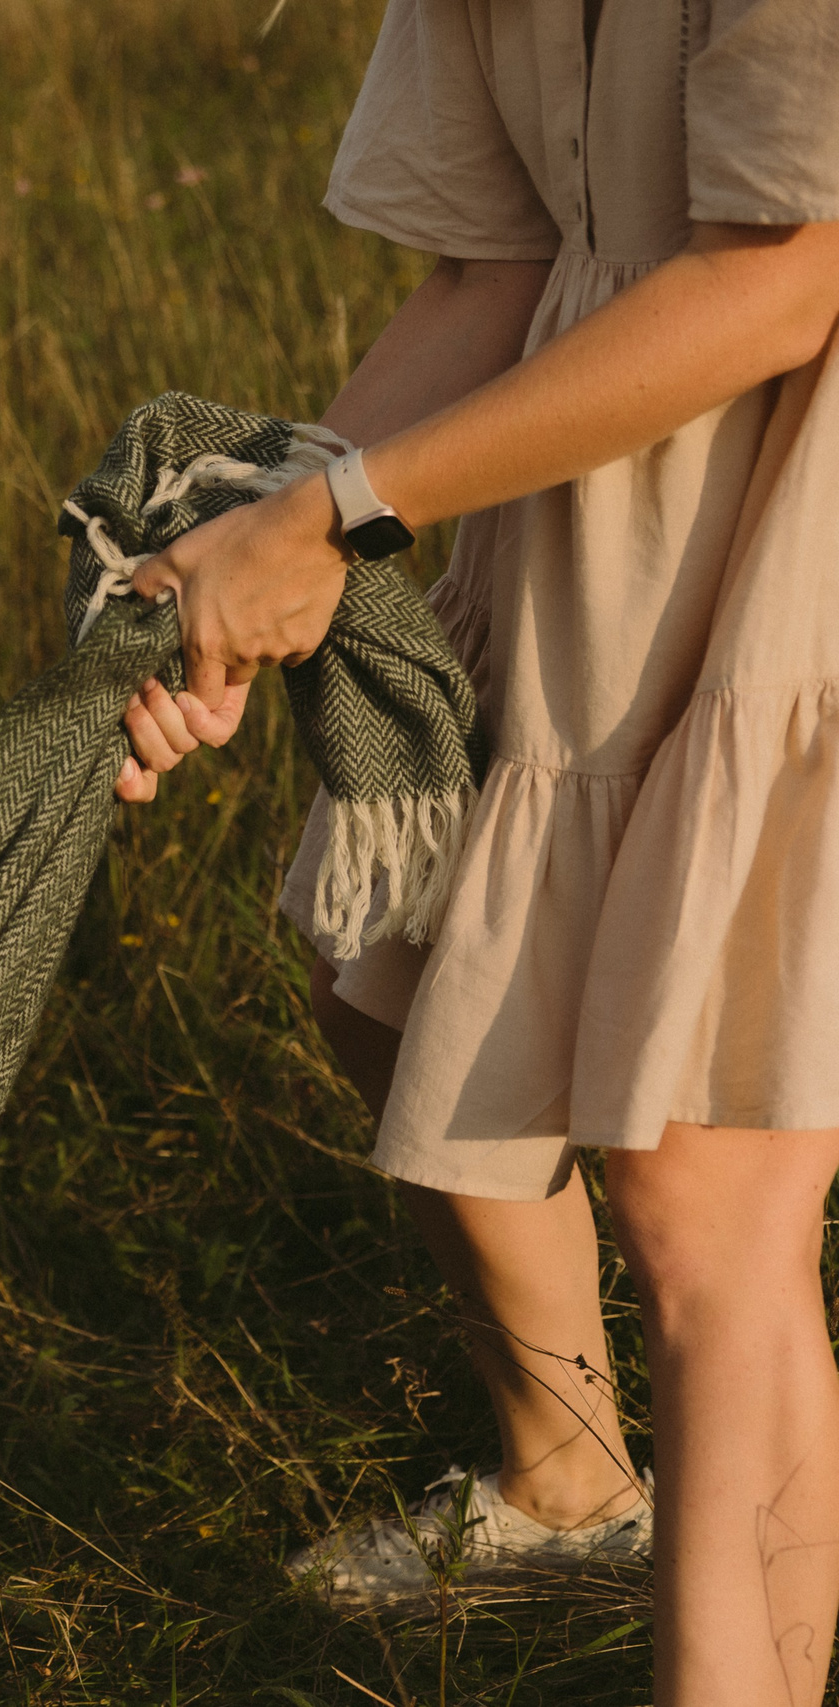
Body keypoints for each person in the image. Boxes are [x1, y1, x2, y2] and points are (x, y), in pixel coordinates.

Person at [111, 0, 839, 1697]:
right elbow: (483, 277)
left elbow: (786, 275)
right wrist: (238, 559)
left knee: (707, 1192)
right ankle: (571, 1476)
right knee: (387, 979)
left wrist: (339, 522)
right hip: (599, 523)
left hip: (797, 552)